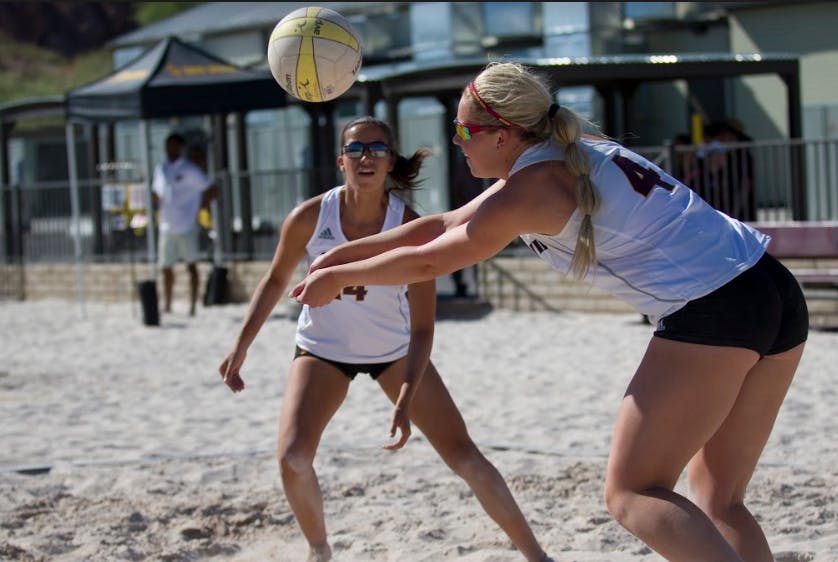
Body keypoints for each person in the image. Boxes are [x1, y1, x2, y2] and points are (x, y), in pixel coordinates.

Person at [289, 63, 809, 561]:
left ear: (502, 134)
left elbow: (430, 261)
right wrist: (343, 254)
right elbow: (442, 224)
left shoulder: (532, 189)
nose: (455, 141)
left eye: (463, 129)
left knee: (632, 492)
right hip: (772, 286)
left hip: (717, 306)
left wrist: (341, 277)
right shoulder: (567, 151)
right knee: (719, 497)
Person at [218, 116, 552, 562]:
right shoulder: (309, 217)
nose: (366, 157)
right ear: (341, 161)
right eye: (356, 149)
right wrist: (241, 346)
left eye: (377, 149)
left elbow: (423, 327)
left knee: (466, 457)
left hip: (394, 352)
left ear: (391, 161)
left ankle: (537, 556)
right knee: (293, 458)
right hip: (322, 351)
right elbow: (276, 280)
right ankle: (319, 549)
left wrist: (407, 395)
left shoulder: (409, 224)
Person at [151, 132, 217, 316]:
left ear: (180, 147)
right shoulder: (161, 169)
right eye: (167, 145)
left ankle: (193, 306)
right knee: (165, 267)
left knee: (192, 265)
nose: (169, 149)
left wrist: (199, 207)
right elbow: (157, 192)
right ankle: (167, 304)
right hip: (166, 225)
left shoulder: (190, 169)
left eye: (173, 145)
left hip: (187, 224)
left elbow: (212, 189)